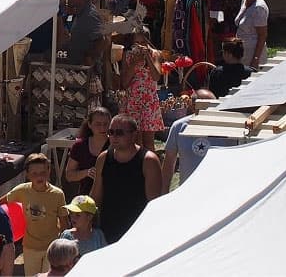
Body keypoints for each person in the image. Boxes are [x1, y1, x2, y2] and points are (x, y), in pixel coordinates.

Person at [90, 114, 161, 243]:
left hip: (137, 232)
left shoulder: (148, 161)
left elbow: (154, 204)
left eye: (120, 133)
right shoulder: (103, 158)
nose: (114, 137)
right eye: (111, 132)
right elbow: (96, 197)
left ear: (134, 134)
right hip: (108, 230)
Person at [0, 153, 67, 276]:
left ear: (49, 170)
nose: (39, 176)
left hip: (51, 246)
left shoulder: (58, 194)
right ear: (28, 174)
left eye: (43, 172)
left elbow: (64, 222)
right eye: (34, 173)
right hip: (30, 247)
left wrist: (63, 245)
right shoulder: (22, 190)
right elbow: (1, 203)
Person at [161, 89, 216, 194]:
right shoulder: (178, 127)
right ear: (192, 105)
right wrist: (163, 192)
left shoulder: (227, 129)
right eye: (203, 106)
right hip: (187, 192)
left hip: (214, 191)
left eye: (212, 106)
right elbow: (168, 164)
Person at [120, 28, 163, 151]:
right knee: (136, 138)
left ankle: (151, 165)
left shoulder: (155, 54)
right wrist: (134, 64)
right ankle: (138, 167)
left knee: (149, 140)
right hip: (133, 100)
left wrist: (148, 57)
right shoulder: (128, 55)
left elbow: (156, 76)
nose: (139, 47)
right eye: (136, 44)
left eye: (142, 44)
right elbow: (124, 83)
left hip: (149, 101)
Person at [65, 106, 111, 196]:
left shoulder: (116, 145)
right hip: (86, 197)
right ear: (89, 124)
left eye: (105, 124)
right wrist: (87, 173)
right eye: (98, 124)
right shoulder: (80, 146)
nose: (102, 128)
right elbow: (69, 175)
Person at [230, 0, 269, 69]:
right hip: (242, 54)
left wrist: (255, 60)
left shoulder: (259, 8)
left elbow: (262, 35)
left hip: (253, 55)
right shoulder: (244, 1)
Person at [65, 0, 106, 66]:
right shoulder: (81, 13)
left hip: (85, 69)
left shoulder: (90, 15)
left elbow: (103, 40)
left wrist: (89, 57)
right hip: (76, 65)